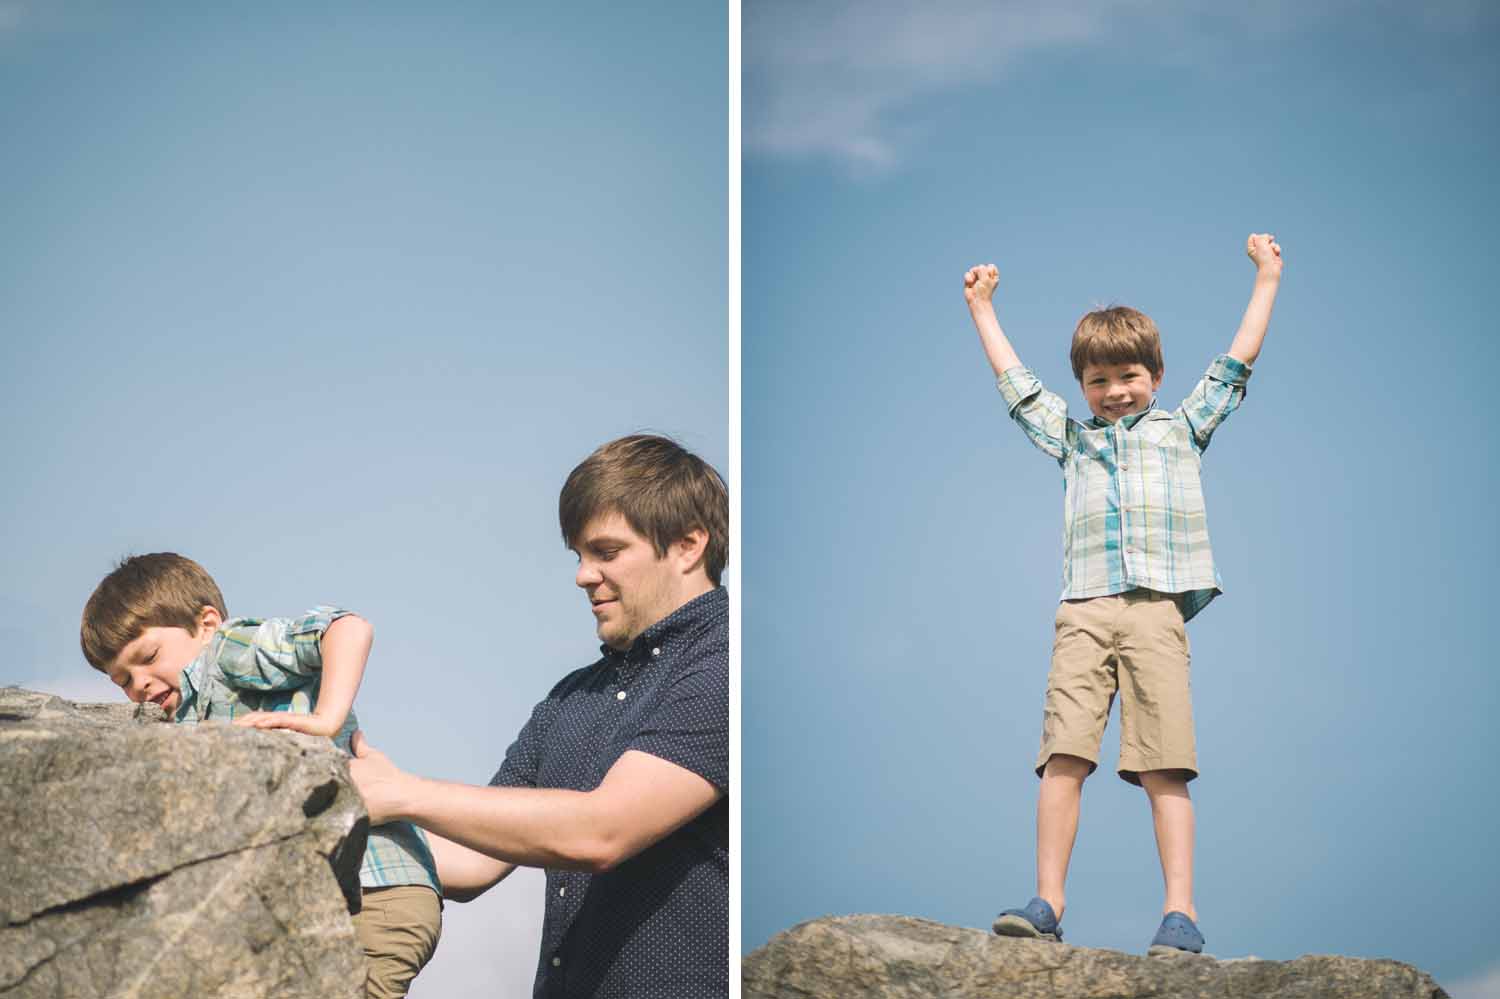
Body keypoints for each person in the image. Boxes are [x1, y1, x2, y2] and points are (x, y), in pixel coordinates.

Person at [962, 234, 1284, 955]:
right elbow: (1017, 386)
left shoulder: (1180, 429)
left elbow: (1237, 363)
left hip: (1155, 609)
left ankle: (1181, 910)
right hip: (1083, 609)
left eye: (1128, 374)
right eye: (1099, 379)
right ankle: (1046, 900)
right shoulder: (1073, 440)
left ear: (1156, 374)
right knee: (1064, 753)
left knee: (1165, 760)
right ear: (1082, 385)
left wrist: (1267, 275)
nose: (1114, 390)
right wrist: (982, 306)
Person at [348, 433, 729, 998]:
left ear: (687, 545)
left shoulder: (728, 662)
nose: (582, 575)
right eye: (579, 556)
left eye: (606, 552)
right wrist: (328, 826)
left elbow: (604, 830)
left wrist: (402, 793)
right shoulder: (569, 701)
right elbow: (472, 859)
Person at [80, 553, 442, 999]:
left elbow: (348, 628)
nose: (140, 685)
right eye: (122, 680)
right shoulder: (180, 725)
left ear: (206, 624)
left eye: (148, 657)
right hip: (322, 906)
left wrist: (328, 718)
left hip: (374, 892)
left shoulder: (227, 650)